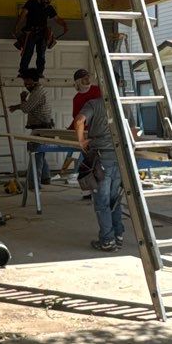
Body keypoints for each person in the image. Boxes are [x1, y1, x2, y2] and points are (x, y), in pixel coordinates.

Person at [73, 93, 124, 251]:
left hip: (101, 159)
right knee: (114, 199)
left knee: (102, 202)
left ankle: (107, 241)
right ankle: (118, 235)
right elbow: (133, 130)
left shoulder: (94, 104)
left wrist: (81, 141)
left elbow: (79, 120)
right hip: (120, 157)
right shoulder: (124, 104)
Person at [9, 70, 55, 184]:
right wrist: (17, 106)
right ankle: (45, 177)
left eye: (27, 83)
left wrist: (22, 99)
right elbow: (31, 106)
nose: (26, 86)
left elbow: (26, 108)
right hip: (40, 127)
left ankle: (34, 182)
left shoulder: (37, 92)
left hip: (42, 128)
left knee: (36, 154)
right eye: (24, 83)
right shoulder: (37, 91)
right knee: (39, 153)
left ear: (34, 81)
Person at [14, 0, 67, 77]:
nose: (47, 3)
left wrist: (65, 25)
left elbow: (57, 19)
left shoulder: (49, 8)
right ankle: (22, 72)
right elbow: (23, 14)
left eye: (49, 1)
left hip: (42, 33)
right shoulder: (31, 3)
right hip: (30, 32)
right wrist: (16, 26)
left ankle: (40, 73)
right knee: (27, 53)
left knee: (41, 54)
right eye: (46, 0)